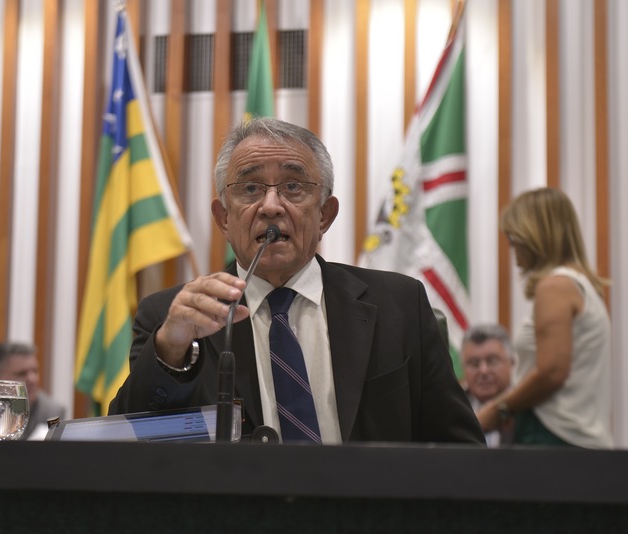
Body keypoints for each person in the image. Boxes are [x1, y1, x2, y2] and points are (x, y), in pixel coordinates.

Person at [109, 117, 484, 445]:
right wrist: (170, 350)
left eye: (293, 187)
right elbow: (128, 444)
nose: (271, 206)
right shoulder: (172, 317)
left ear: (324, 215)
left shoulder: (399, 305)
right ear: (224, 218)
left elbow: (459, 449)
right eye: (250, 188)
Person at [476, 187, 613, 448]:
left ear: (533, 236)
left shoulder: (555, 287)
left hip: (554, 437)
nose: (512, 247)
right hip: (577, 437)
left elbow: (552, 372)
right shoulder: (582, 286)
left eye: (513, 238)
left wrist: (500, 408)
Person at [461, 324, 515, 447]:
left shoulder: (527, 407)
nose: (483, 371)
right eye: (474, 363)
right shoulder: (452, 409)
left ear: (512, 362)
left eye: (492, 361)